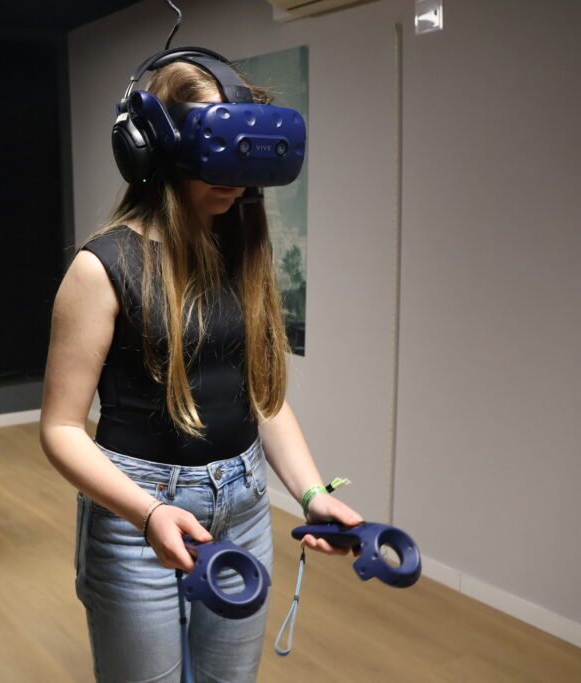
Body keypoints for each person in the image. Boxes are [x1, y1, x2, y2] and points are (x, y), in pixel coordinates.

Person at [39, 60, 363, 681]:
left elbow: (263, 399)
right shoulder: (102, 267)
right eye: (214, 150)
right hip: (136, 514)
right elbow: (60, 429)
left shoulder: (243, 251)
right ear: (153, 146)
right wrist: (149, 514)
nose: (233, 180)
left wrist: (313, 495)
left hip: (243, 505)